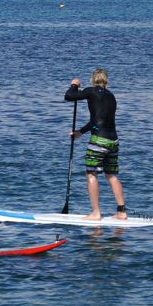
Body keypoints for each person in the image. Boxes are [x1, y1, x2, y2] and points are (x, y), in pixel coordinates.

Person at [65, 68, 125, 221]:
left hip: (99, 140)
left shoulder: (91, 91)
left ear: (93, 80)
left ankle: (96, 213)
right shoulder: (112, 96)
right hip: (113, 140)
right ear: (106, 80)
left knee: (91, 174)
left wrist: (74, 85)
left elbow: (69, 96)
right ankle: (121, 212)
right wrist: (81, 132)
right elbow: (98, 120)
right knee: (111, 175)